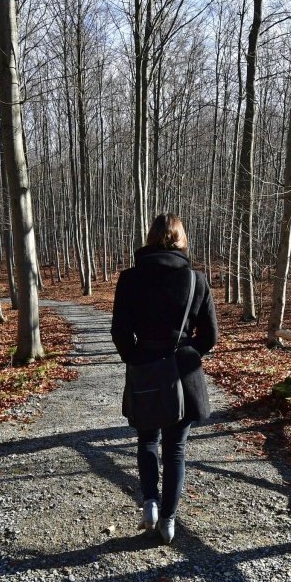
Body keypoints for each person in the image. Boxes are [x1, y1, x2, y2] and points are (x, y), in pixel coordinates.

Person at [111, 213, 218, 544]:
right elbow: (210, 335)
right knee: (175, 449)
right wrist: (187, 355)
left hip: (144, 370)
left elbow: (119, 332)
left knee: (147, 441)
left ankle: (150, 503)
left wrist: (138, 358)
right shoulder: (195, 280)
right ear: (181, 240)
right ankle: (169, 521)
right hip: (183, 376)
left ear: (150, 237)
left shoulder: (129, 279)